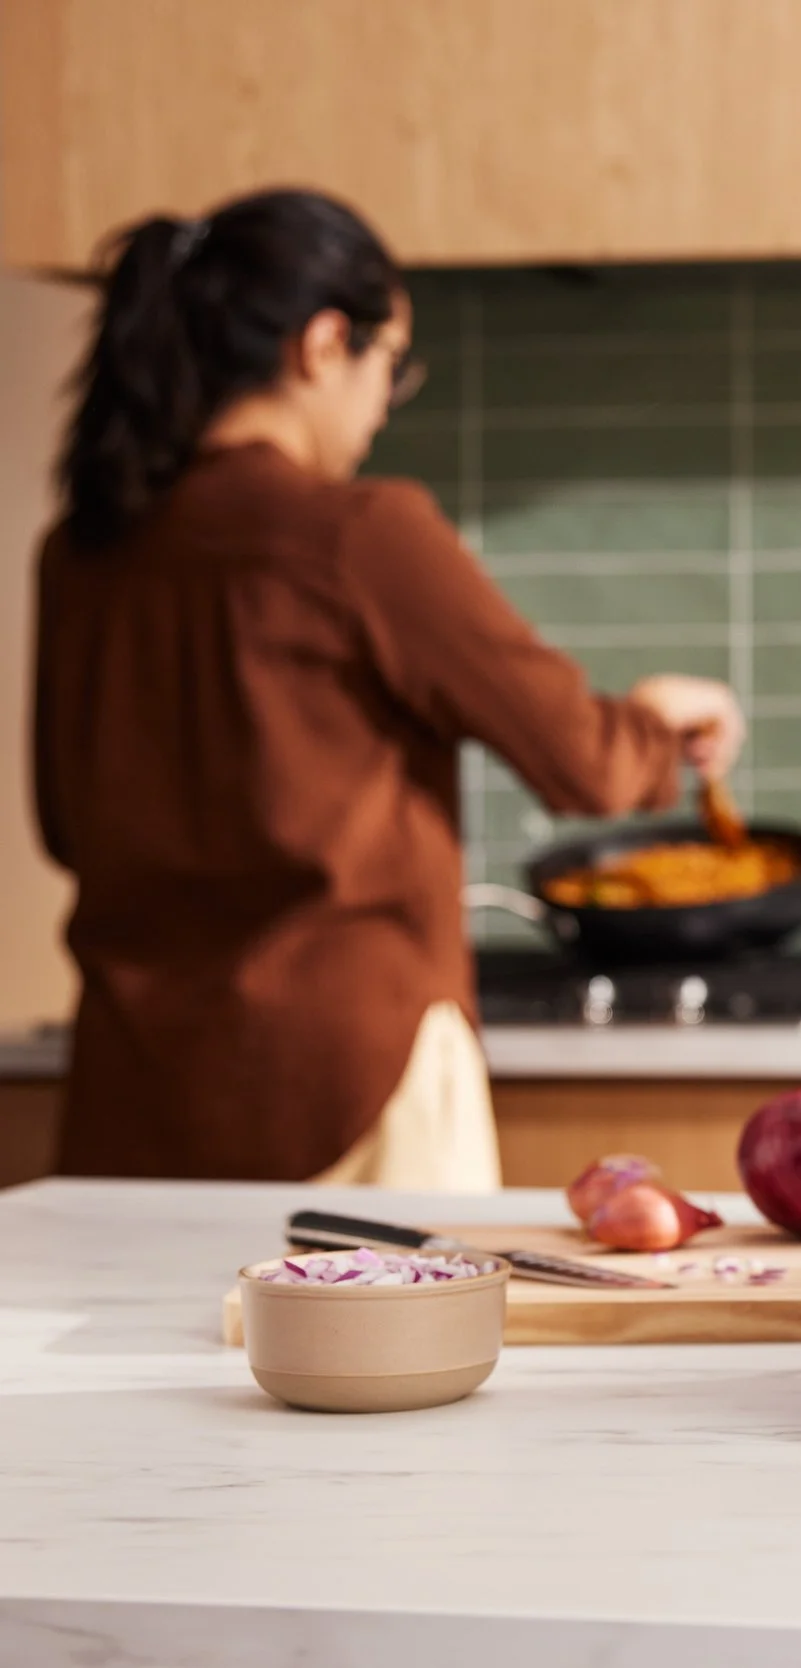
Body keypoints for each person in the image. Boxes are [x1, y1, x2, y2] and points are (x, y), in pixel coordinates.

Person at [32, 188, 744, 1188]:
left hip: (138, 1105)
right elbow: (583, 761)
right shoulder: (360, 535)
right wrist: (659, 722)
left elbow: (66, 828)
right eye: (391, 363)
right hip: (348, 1088)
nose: (382, 402)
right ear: (324, 345)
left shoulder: (81, 555)